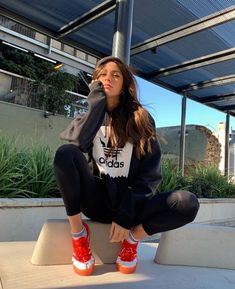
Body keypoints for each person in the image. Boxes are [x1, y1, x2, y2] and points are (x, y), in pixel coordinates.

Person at [54, 56, 199, 276]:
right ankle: (79, 235)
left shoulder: (141, 118)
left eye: (115, 75)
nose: (108, 79)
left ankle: (133, 239)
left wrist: (125, 215)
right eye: (102, 75)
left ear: (124, 83)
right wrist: (97, 104)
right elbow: (77, 146)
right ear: (94, 82)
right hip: (96, 202)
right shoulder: (88, 117)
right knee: (65, 153)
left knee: (187, 203)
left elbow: (150, 175)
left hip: (131, 205)